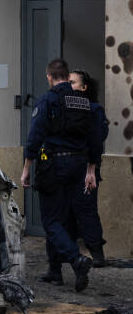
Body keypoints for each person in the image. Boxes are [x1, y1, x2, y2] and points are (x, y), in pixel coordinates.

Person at [20, 58, 100, 291]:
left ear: (49, 77)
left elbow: (35, 136)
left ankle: (76, 260)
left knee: (51, 219)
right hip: (80, 164)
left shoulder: (49, 99)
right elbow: (95, 139)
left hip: (55, 164)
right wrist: (92, 169)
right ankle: (54, 271)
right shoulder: (84, 102)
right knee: (63, 218)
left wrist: (27, 167)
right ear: (67, 77)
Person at [69, 69, 108, 267]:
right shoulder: (62, 107)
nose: (69, 86)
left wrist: (91, 168)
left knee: (86, 209)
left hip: (87, 167)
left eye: (73, 82)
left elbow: (98, 138)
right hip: (69, 166)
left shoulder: (94, 109)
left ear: (84, 88)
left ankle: (96, 253)